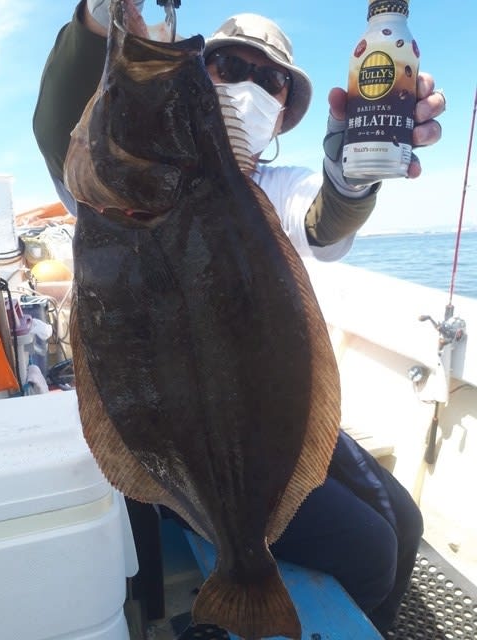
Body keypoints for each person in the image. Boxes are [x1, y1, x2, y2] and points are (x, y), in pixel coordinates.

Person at [33, 1, 445, 636]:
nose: (251, 85)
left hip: (268, 423)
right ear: (205, 78)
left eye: (271, 78)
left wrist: (357, 172)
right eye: (228, 64)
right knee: (374, 549)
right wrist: (98, 16)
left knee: (407, 522)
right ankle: (229, 608)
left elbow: (326, 218)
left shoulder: (280, 186)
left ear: (284, 109)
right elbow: (60, 115)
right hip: (178, 445)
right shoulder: (103, 187)